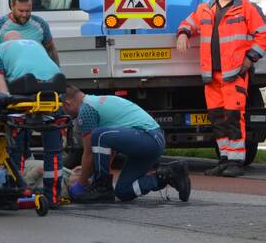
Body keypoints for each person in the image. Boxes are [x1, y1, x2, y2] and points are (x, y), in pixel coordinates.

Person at [176, 0, 266, 177]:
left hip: (234, 74)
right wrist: (183, 34)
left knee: (233, 118)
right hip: (211, 76)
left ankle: (236, 162)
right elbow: (188, 23)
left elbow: (265, 33)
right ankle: (224, 159)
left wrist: (250, 58)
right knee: (218, 119)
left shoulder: (246, 9)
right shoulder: (205, 9)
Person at [60, 85, 190, 204]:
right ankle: (166, 175)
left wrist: (80, 185)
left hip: (148, 138)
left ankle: (102, 188)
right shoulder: (95, 103)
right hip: (151, 140)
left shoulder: (86, 110)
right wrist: (90, 174)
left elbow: (88, 154)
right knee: (123, 191)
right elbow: (108, 151)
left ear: (66, 104)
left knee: (98, 135)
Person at [0, 31, 65, 196]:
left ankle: (13, 191)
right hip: (53, 93)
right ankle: (53, 195)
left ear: (4, 41)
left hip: (27, 93)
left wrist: (6, 107)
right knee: (53, 150)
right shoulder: (36, 45)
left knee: (16, 144)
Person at [0, 0, 59, 84]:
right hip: (13, 83)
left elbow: (52, 50)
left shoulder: (41, 24)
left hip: (42, 82)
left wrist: (56, 76)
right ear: (12, 6)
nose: (24, 14)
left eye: (28, 11)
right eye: (21, 10)